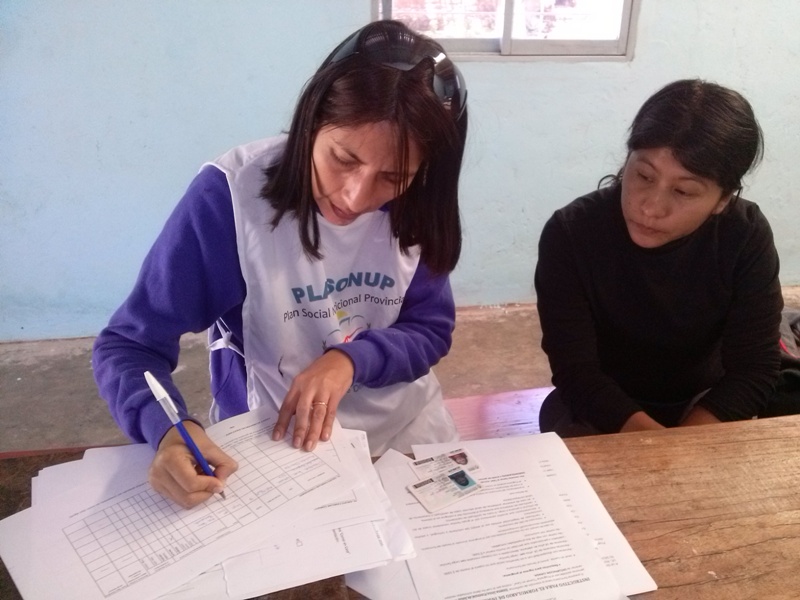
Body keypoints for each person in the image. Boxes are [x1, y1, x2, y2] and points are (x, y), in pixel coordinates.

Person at [92, 20, 469, 507]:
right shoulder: (231, 198)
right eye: (343, 158)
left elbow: (429, 328)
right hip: (274, 441)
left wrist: (349, 360)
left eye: (392, 177)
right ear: (312, 121)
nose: (355, 196)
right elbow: (128, 345)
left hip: (406, 432)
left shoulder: (418, 203)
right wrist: (168, 431)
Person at [535, 79, 783, 437]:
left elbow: (754, 369)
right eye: (643, 175)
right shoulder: (572, 232)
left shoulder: (744, 236)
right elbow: (576, 370)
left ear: (722, 199)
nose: (650, 206)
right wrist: (656, 445)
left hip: (706, 402)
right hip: (604, 407)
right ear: (627, 160)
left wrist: (681, 444)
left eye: (683, 191)